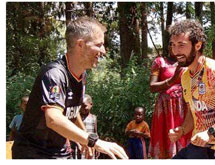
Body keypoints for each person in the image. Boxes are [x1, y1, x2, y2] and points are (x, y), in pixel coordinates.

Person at [11, 17, 128, 159]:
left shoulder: (81, 75)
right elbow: (53, 118)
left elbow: (72, 110)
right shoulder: (54, 74)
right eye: (99, 45)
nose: (103, 50)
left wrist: (85, 137)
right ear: (80, 45)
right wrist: (93, 141)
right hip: (33, 152)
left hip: (60, 151)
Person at [167, 20, 215, 159]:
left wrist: (210, 133)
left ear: (197, 45)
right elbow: (193, 112)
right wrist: (182, 130)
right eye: (173, 45)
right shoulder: (185, 76)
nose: (176, 51)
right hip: (198, 145)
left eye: (181, 45)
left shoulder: (213, 71)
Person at [149, 47, 190, 159]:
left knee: (185, 137)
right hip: (166, 108)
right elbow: (152, 87)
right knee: (166, 139)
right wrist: (172, 80)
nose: (176, 47)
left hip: (185, 107)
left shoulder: (188, 62)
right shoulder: (159, 62)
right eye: (172, 44)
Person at [73, 94, 99, 159]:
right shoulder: (76, 118)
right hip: (79, 146)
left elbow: (95, 133)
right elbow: (73, 132)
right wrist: (78, 144)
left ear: (91, 104)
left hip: (91, 145)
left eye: (85, 106)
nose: (83, 108)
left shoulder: (93, 118)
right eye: (81, 106)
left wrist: (97, 146)